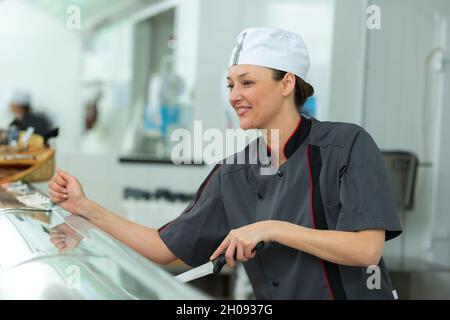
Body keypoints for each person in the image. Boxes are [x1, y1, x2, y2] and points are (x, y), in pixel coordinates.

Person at [49, 27, 402, 300]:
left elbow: (366, 249)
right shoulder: (234, 171)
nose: (234, 95)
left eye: (247, 82)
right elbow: (164, 248)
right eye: (231, 84)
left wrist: (270, 228)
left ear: (287, 83)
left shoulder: (347, 144)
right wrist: (85, 207)